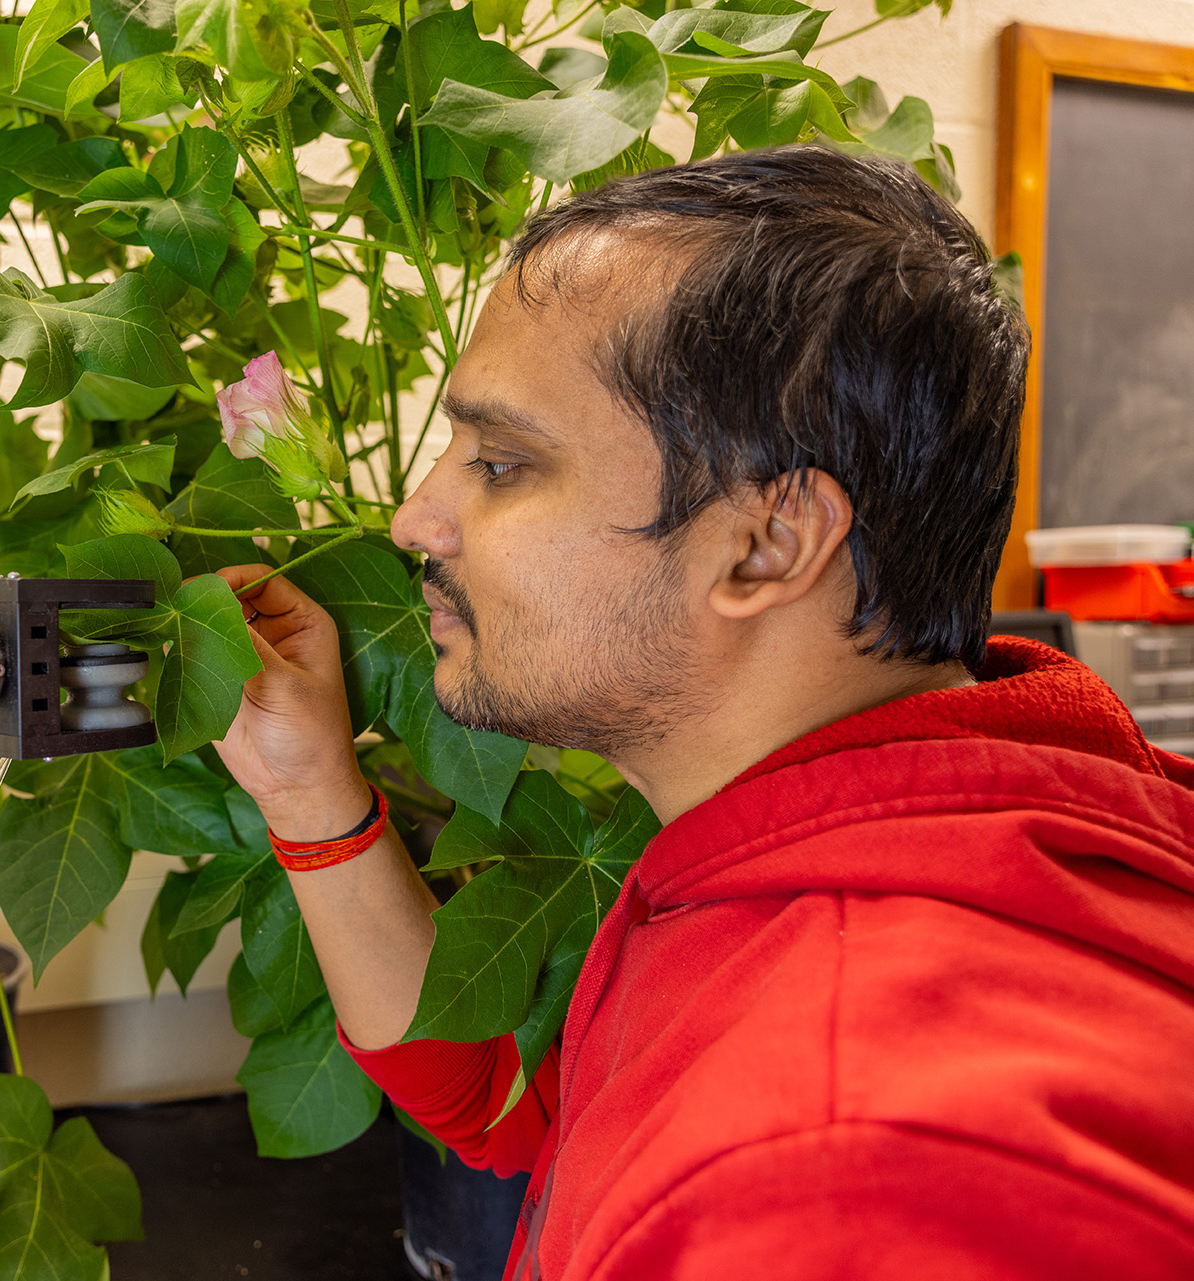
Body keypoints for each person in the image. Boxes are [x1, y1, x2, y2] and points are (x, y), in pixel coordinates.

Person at [211, 147, 1194, 1279]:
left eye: (501, 463)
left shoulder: (836, 1177)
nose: (413, 517)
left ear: (768, 542)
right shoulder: (884, 843)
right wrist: (310, 792)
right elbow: (510, 1113)